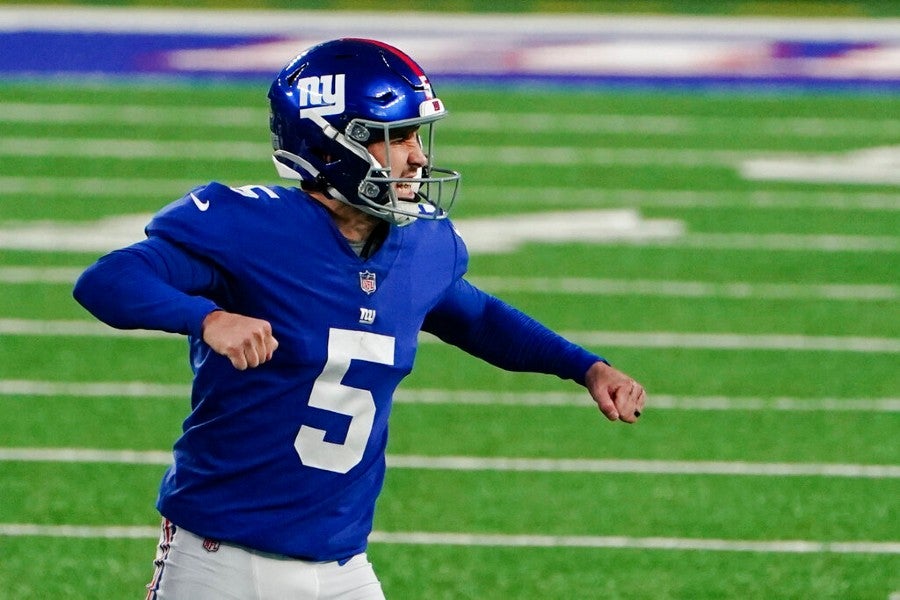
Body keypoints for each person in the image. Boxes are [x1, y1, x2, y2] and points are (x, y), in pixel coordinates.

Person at [73, 38, 646, 600]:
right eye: (394, 137)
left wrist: (586, 367)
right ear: (329, 145)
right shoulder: (249, 226)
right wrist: (208, 318)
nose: (418, 155)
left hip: (344, 565)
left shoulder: (420, 245)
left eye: (417, 135)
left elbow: (477, 317)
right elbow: (107, 281)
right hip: (223, 561)